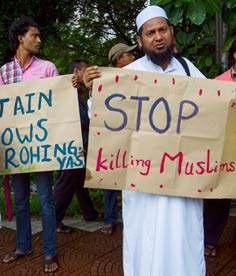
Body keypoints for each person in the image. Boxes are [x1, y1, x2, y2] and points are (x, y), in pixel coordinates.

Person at [83, 5, 205, 275]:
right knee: (145, 242)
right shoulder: (129, 74)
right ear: (140, 41)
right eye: (150, 33)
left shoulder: (188, 70)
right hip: (142, 182)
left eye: (163, 30)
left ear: (172, 33)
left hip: (182, 178)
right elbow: (102, 118)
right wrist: (95, 91)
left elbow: (212, 111)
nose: (158, 36)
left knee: (184, 239)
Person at [0, 16, 59, 273]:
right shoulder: (4, 72)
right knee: (21, 199)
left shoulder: (47, 68)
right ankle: (23, 245)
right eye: (34, 35)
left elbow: (57, 104)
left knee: (45, 199)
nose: (39, 40)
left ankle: (50, 252)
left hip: (42, 145)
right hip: (15, 146)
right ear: (21, 37)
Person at [53, 59, 101, 235]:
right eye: (85, 70)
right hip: (70, 145)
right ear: (76, 71)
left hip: (78, 142)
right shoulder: (68, 92)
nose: (88, 74)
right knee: (65, 182)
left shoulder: (77, 91)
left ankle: (89, 213)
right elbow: (81, 119)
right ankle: (54, 220)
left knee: (80, 180)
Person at [203, 39, 236, 257]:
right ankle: (210, 239)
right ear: (234, 54)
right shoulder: (218, 84)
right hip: (225, 151)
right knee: (219, 198)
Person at [100, 43, 137, 235]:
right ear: (120, 59)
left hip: (135, 136)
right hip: (113, 137)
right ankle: (110, 218)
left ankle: (131, 217)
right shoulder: (107, 81)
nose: (133, 56)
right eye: (129, 54)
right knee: (110, 179)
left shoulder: (139, 76)